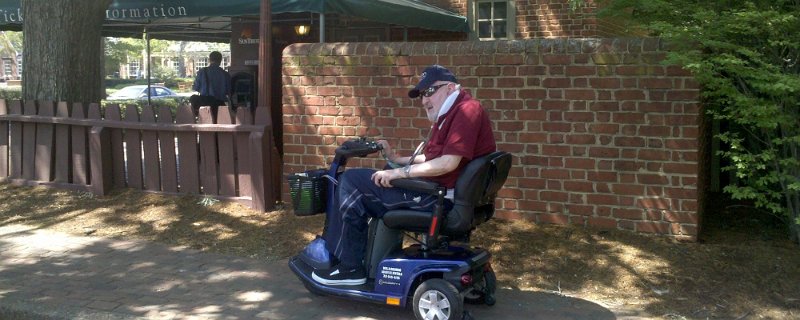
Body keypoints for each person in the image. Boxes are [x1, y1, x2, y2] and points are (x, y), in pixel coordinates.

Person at [312, 65, 497, 286]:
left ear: (450, 88)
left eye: (430, 91)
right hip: (442, 192)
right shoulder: (454, 112)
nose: (424, 100)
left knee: (351, 181)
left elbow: (447, 163)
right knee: (368, 178)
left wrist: (398, 173)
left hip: (439, 198)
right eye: (421, 95)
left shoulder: (465, 111)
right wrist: (395, 158)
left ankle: (351, 267)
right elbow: (435, 159)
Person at [191, 51, 231, 116]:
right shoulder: (225, 74)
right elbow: (229, 91)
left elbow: (195, 88)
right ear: (220, 60)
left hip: (205, 106)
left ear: (209, 59)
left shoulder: (202, 72)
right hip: (220, 105)